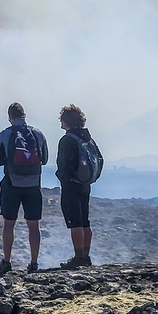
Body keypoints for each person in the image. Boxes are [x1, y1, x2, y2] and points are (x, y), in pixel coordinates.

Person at [0, 102, 48, 273]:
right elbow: (44, 159)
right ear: (24, 115)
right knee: (34, 225)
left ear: (10, 117)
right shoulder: (38, 134)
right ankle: (34, 263)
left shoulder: (5, 134)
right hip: (33, 185)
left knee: (9, 224)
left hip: (12, 184)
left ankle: (7, 261)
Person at [56, 104, 95, 270]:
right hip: (85, 184)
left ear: (66, 121)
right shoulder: (87, 138)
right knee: (85, 221)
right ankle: (86, 256)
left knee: (75, 222)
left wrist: (64, 178)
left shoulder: (67, 139)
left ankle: (78, 256)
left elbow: (63, 165)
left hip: (71, 185)